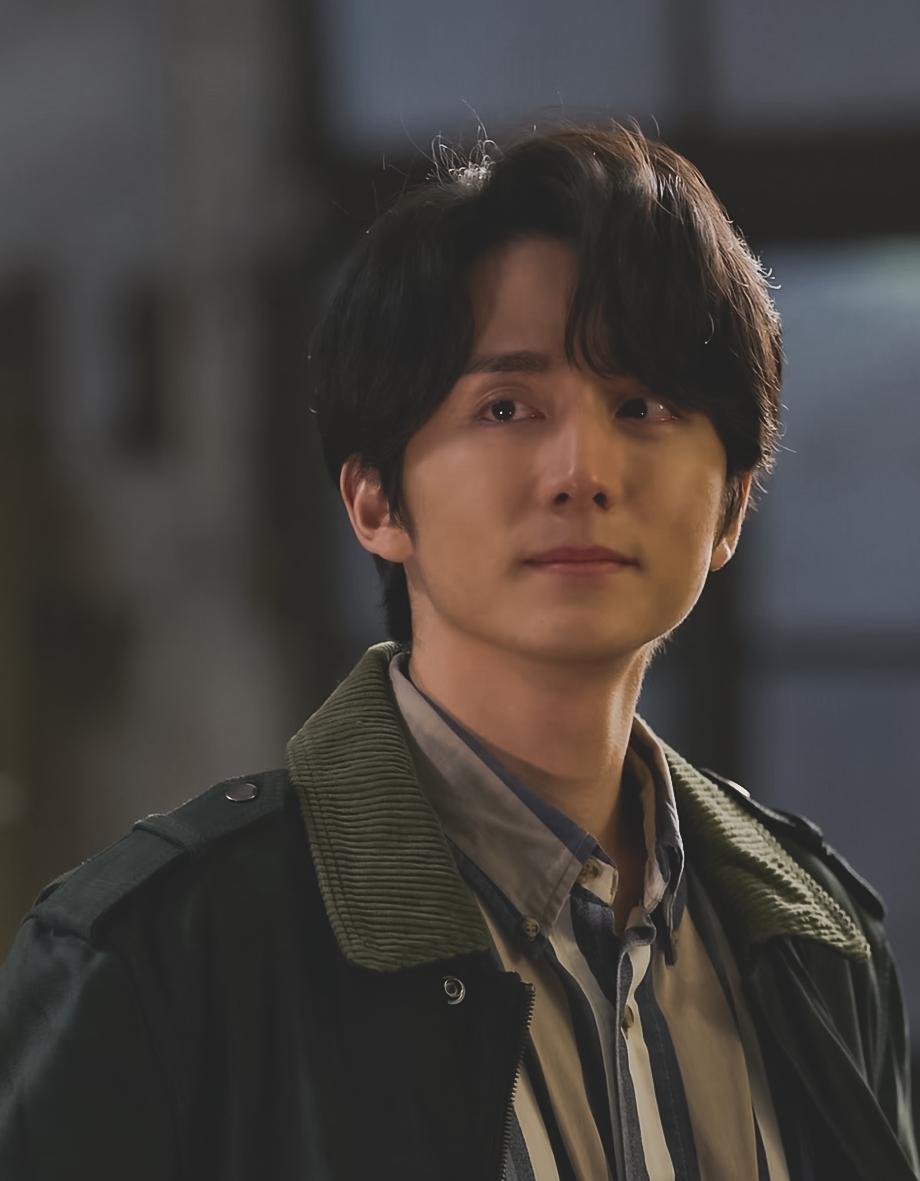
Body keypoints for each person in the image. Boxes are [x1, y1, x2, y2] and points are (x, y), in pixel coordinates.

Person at [1, 123, 916, 1181]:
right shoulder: (160, 954)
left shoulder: (813, 938)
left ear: (732, 507)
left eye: (642, 405)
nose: (582, 469)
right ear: (375, 500)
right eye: (506, 406)